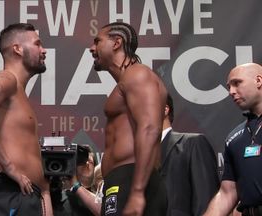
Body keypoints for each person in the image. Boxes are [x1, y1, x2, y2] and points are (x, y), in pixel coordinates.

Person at [0, 23, 53, 216]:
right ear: (17, 49)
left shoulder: (19, 92)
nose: (44, 50)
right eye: (37, 44)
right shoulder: (6, 78)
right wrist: (9, 166)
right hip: (7, 193)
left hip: (25, 195)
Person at [89, 22, 168, 216]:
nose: (92, 48)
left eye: (97, 41)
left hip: (133, 179)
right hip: (121, 180)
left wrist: (138, 192)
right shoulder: (127, 81)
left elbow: (150, 128)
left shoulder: (138, 74)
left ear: (117, 43)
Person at [204, 63, 262, 216]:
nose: (231, 91)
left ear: (258, 81)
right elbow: (226, 193)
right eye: (229, 87)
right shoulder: (234, 138)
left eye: (237, 83)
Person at [160, 94, 219, 216]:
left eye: (144, 106)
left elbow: (205, 199)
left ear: (165, 110)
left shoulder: (193, 143)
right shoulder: (134, 157)